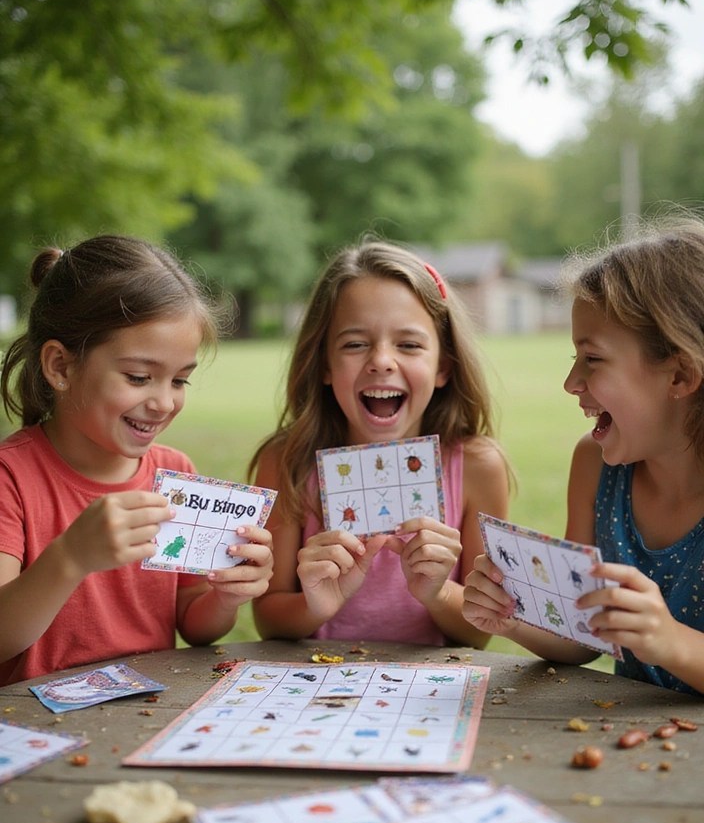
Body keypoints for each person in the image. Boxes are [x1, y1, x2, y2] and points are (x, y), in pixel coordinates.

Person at [0, 235, 273, 685]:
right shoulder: (12, 477)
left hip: (141, 716)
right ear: (61, 367)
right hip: (36, 725)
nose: (164, 402)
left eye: (180, 381)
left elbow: (194, 622)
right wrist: (69, 557)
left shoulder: (176, 473)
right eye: (140, 377)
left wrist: (225, 596)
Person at [463, 213, 704, 696]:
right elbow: (584, 631)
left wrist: (670, 641)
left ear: (679, 375)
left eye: (592, 359)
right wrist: (512, 613)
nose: (571, 383)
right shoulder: (596, 466)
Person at [249, 239, 511, 647]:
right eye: (355, 344)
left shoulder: (478, 466)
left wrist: (439, 592)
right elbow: (269, 619)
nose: (382, 360)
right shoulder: (288, 461)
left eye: (408, 344)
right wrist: (317, 603)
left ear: (443, 365)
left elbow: (479, 635)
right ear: (324, 365)